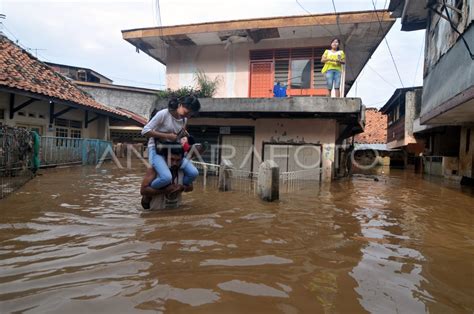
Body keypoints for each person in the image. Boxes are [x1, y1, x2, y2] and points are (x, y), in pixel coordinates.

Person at [141, 96, 201, 191]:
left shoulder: (184, 120)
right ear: (180, 105)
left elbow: (178, 136)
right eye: (186, 112)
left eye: (190, 115)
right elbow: (144, 131)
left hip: (173, 150)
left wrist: (184, 136)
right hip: (157, 149)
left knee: (193, 173)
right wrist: (167, 136)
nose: (187, 116)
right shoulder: (163, 114)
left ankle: (179, 187)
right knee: (166, 178)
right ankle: (150, 190)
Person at [140, 146, 193, 210]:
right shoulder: (154, 169)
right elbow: (143, 191)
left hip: (176, 213)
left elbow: (191, 187)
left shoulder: (184, 170)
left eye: (178, 160)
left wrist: (182, 188)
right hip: (156, 214)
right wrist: (165, 191)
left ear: (182, 159)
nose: (174, 163)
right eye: (171, 159)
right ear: (165, 158)